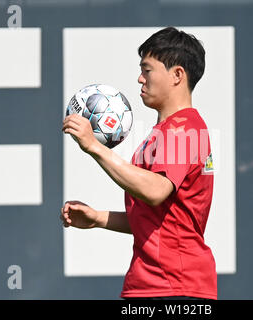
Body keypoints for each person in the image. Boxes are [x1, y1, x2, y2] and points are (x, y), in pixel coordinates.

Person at [61, 27, 217, 300]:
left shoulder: (183, 129)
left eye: (147, 70)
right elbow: (159, 220)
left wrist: (94, 146)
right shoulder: (167, 131)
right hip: (153, 286)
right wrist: (98, 218)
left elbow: (155, 192)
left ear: (177, 75)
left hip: (174, 287)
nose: (140, 78)